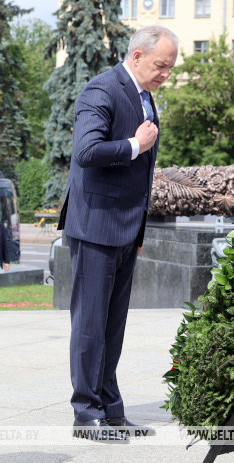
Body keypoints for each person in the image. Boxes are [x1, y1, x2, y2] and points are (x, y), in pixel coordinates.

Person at [57, 25, 178, 443]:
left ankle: (111, 410)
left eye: (170, 67)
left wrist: (139, 229)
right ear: (138, 55)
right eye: (161, 65)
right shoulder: (101, 90)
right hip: (95, 226)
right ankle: (84, 412)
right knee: (90, 324)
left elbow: (139, 179)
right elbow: (86, 152)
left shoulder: (145, 97)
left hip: (126, 230)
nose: (165, 73)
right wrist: (134, 144)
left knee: (113, 326)